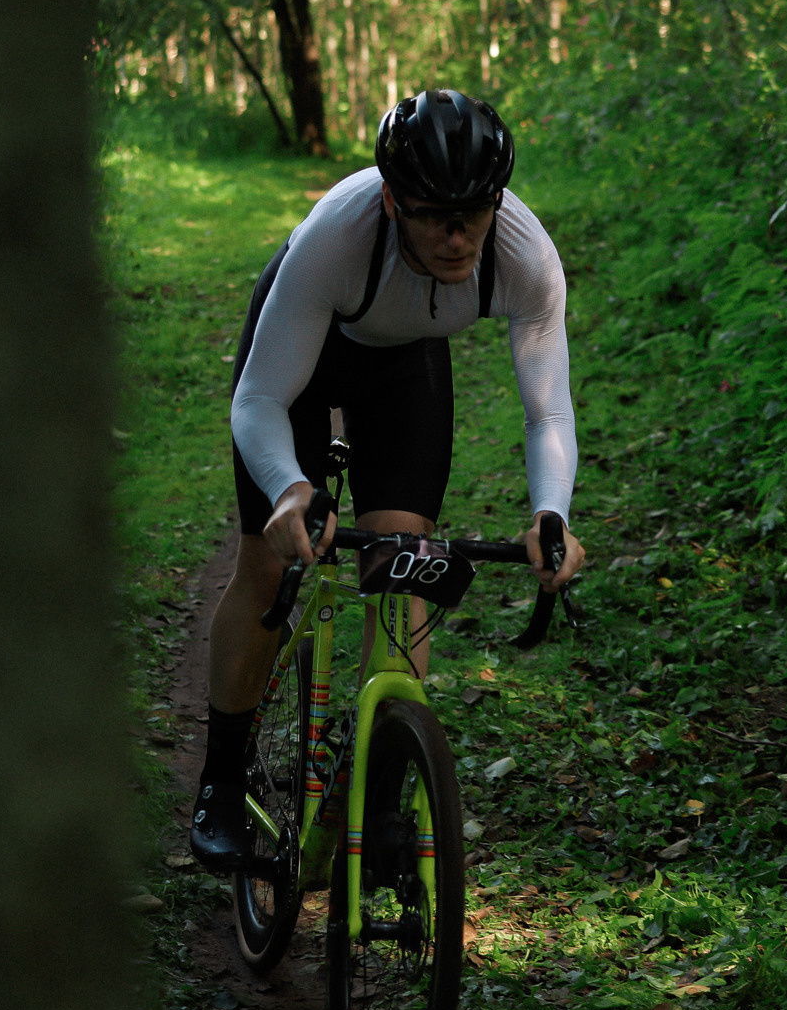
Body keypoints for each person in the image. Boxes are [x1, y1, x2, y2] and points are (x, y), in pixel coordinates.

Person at [189, 88, 588, 871]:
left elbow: (549, 415)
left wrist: (552, 513)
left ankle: (379, 800)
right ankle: (221, 781)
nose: (458, 235)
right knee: (269, 561)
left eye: (476, 211)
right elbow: (261, 398)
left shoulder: (524, 256)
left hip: (404, 366)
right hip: (302, 361)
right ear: (392, 200)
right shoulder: (337, 237)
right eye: (435, 213)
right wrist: (288, 491)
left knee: (404, 561)